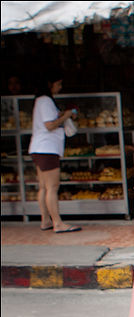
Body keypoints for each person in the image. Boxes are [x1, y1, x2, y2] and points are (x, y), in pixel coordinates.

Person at [28, 71, 80, 233]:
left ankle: (46, 220)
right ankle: (57, 223)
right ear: (50, 85)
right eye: (58, 84)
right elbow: (49, 125)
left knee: (43, 187)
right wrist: (66, 116)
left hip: (39, 148)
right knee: (52, 187)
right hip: (47, 148)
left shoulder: (41, 101)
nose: (60, 87)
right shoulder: (45, 101)